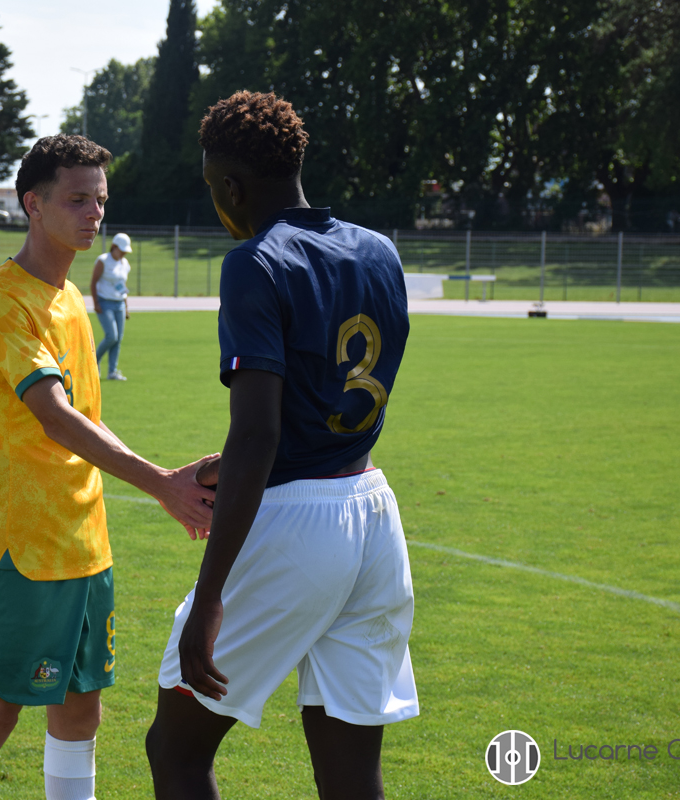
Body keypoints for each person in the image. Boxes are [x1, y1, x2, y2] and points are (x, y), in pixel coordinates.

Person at [145, 91, 419, 800]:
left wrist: (210, 596)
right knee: (351, 771)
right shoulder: (380, 251)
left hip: (296, 526)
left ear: (231, 187)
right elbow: (326, 398)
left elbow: (259, 432)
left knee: (176, 749)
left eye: (214, 187)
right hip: (373, 515)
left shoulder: (254, 262)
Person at [0, 134, 216, 800]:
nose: (95, 214)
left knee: (81, 710)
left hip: (86, 544)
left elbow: (87, 416)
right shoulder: (2, 299)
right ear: (33, 203)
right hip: (24, 546)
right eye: (78, 199)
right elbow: (54, 417)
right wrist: (161, 483)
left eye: (101, 200)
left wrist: (165, 481)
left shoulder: (69, 302)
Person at [90, 233, 133, 381]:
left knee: (118, 338)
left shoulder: (125, 263)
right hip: (105, 302)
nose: (124, 253)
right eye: (121, 250)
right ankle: (94, 362)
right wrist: (96, 303)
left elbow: (122, 286)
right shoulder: (103, 260)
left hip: (119, 303)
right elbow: (93, 282)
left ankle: (112, 372)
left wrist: (126, 306)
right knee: (111, 336)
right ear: (114, 247)